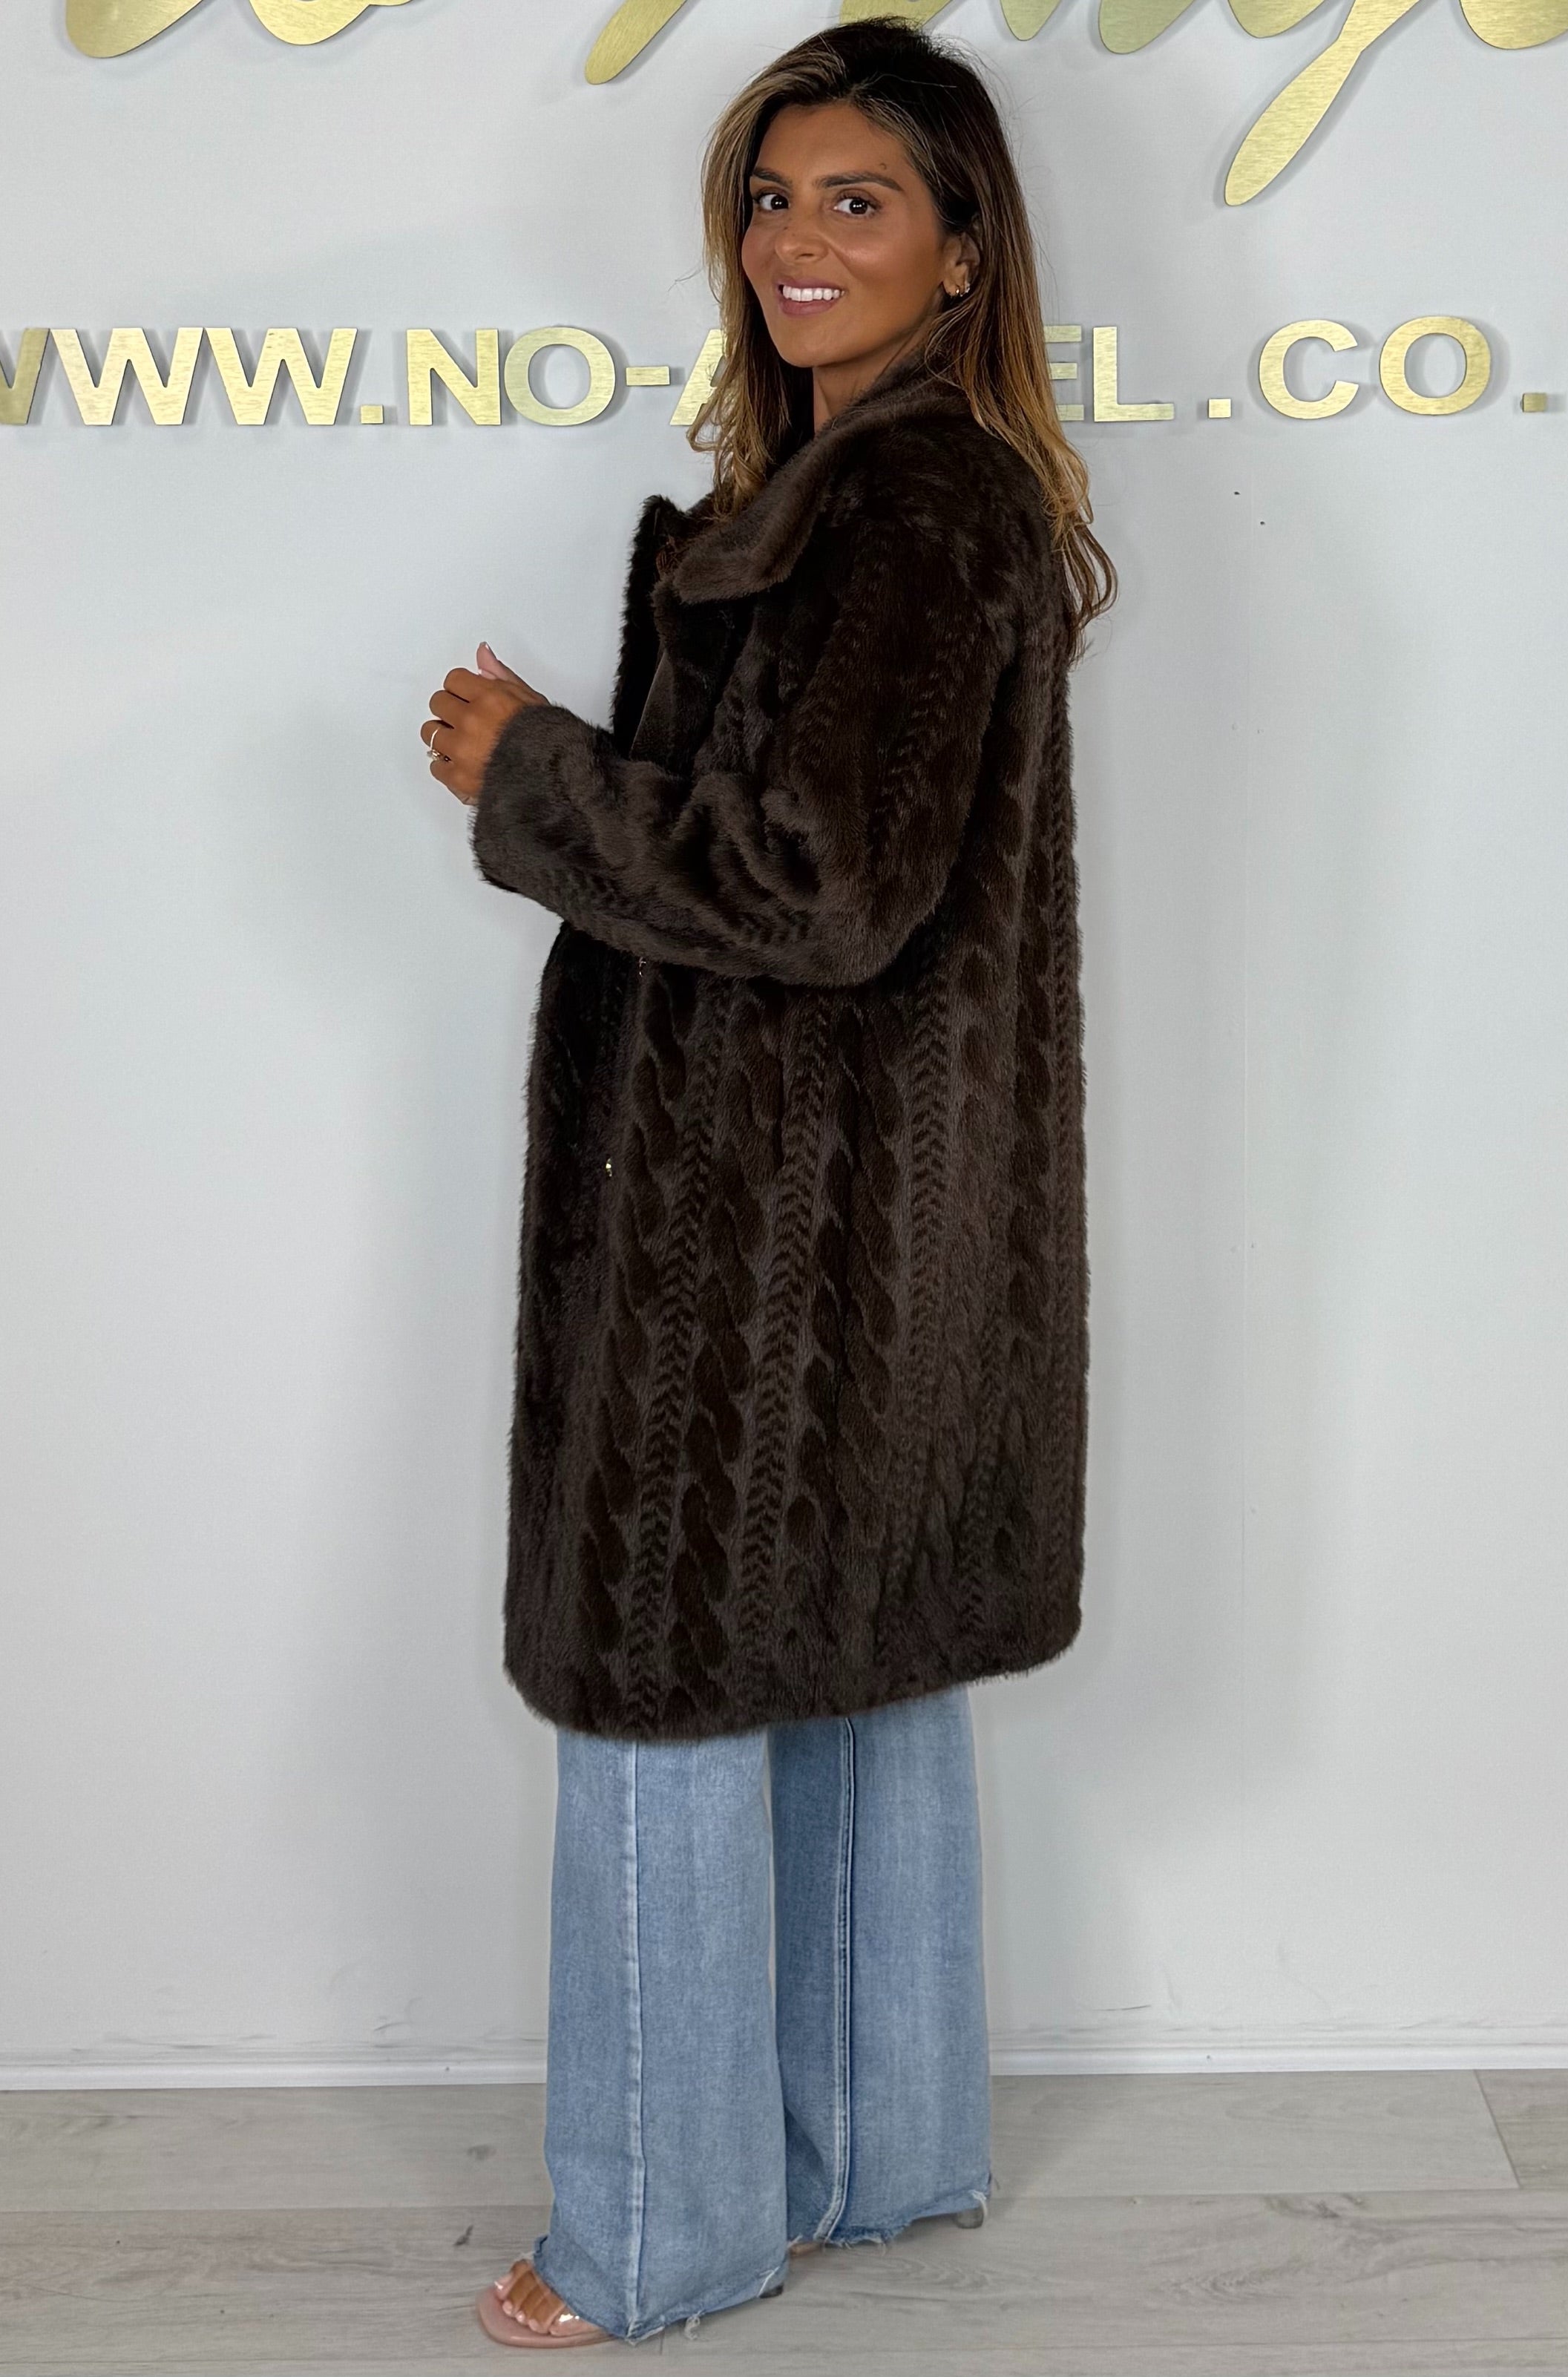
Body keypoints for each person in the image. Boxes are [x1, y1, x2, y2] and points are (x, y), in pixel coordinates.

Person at [419, 16, 1112, 2348]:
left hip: (768, 1231)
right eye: (769, 195)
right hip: (872, 1215)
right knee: (856, 1666)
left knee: (665, 1691)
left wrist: (533, 773)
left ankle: (659, 2231)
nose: (793, 240)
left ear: (961, 247)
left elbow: (819, 887)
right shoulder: (886, 487)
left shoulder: (910, 501)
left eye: (855, 201)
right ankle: (876, 2154)